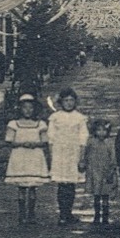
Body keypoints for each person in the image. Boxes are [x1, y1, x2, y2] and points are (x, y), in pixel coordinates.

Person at [4, 93, 49, 225]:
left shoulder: (40, 124)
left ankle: (31, 213)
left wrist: (35, 144)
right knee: (22, 187)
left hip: (34, 157)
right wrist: (22, 144)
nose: (28, 110)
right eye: (25, 107)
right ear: (20, 109)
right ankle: (22, 214)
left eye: (31, 108)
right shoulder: (14, 124)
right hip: (20, 156)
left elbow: (45, 141)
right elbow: (9, 141)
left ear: (35, 109)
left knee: (33, 187)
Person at [47, 88, 90, 225]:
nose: (69, 103)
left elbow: (83, 138)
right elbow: (51, 138)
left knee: (71, 184)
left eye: (71, 100)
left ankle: (68, 212)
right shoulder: (55, 118)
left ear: (75, 102)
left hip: (73, 153)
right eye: (66, 100)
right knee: (62, 184)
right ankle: (62, 214)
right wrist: (51, 156)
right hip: (60, 153)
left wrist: (82, 157)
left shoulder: (79, 118)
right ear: (61, 102)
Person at [83, 119, 118, 228]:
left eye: (104, 130)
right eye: (99, 130)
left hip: (106, 171)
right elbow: (86, 154)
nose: (101, 133)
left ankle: (106, 216)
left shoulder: (110, 142)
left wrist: (112, 170)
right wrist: (85, 164)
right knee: (96, 195)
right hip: (94, 171)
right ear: (94, 131)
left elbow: (113, 157)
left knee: (106, 195)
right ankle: (97, 215)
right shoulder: (91, 141)